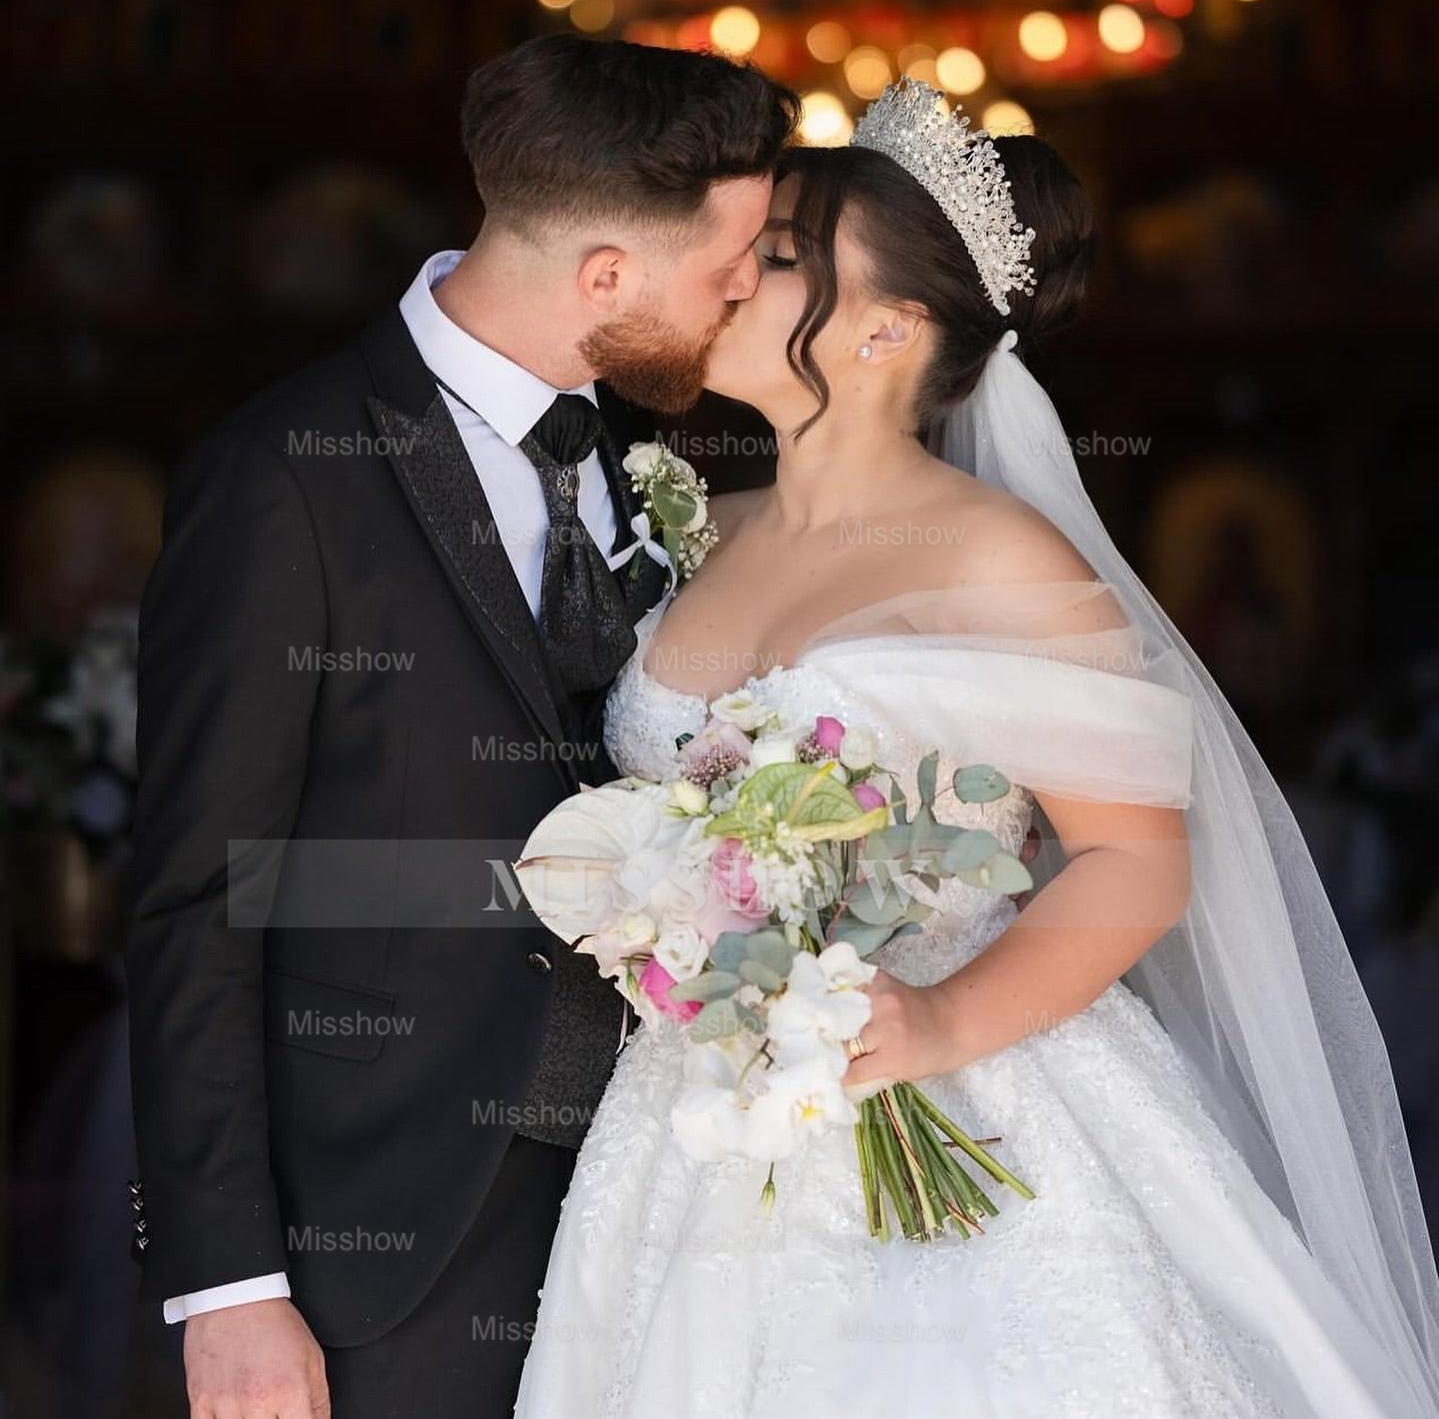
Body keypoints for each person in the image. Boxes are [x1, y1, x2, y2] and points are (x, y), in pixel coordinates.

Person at [513, 78, 1439, 1417]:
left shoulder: (1003, 561)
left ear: (887, 327)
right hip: (692, 1122)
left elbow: (1133, 861)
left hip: (967, 1095)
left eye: (776, 257)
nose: (724, 271)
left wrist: (941, 1017)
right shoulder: (698, 523)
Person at [124, 35, 801, 1418]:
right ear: (605, 277)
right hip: (379, 1222)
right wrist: (233, 1288)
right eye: (728, 271)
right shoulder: (280, 477)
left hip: (656, 1189)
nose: (746, 300)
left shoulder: (639, 460)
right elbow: (194, 893)